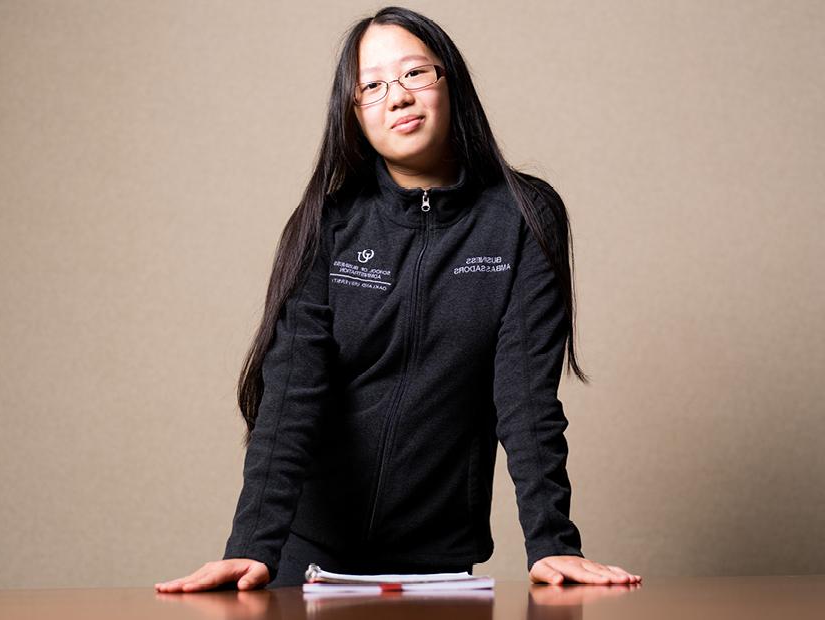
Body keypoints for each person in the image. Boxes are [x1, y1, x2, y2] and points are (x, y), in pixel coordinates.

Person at [156, 6, 641, 592]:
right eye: (373, 85)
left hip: (438, 570)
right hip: (307, 561)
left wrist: (552, 541)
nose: (399, 96)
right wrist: (252, 544)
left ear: (450, 82)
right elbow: (290, 395)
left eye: (416, 74)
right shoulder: (327, 227)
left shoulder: (522, 218)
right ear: (354, 113)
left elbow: (525, 392)